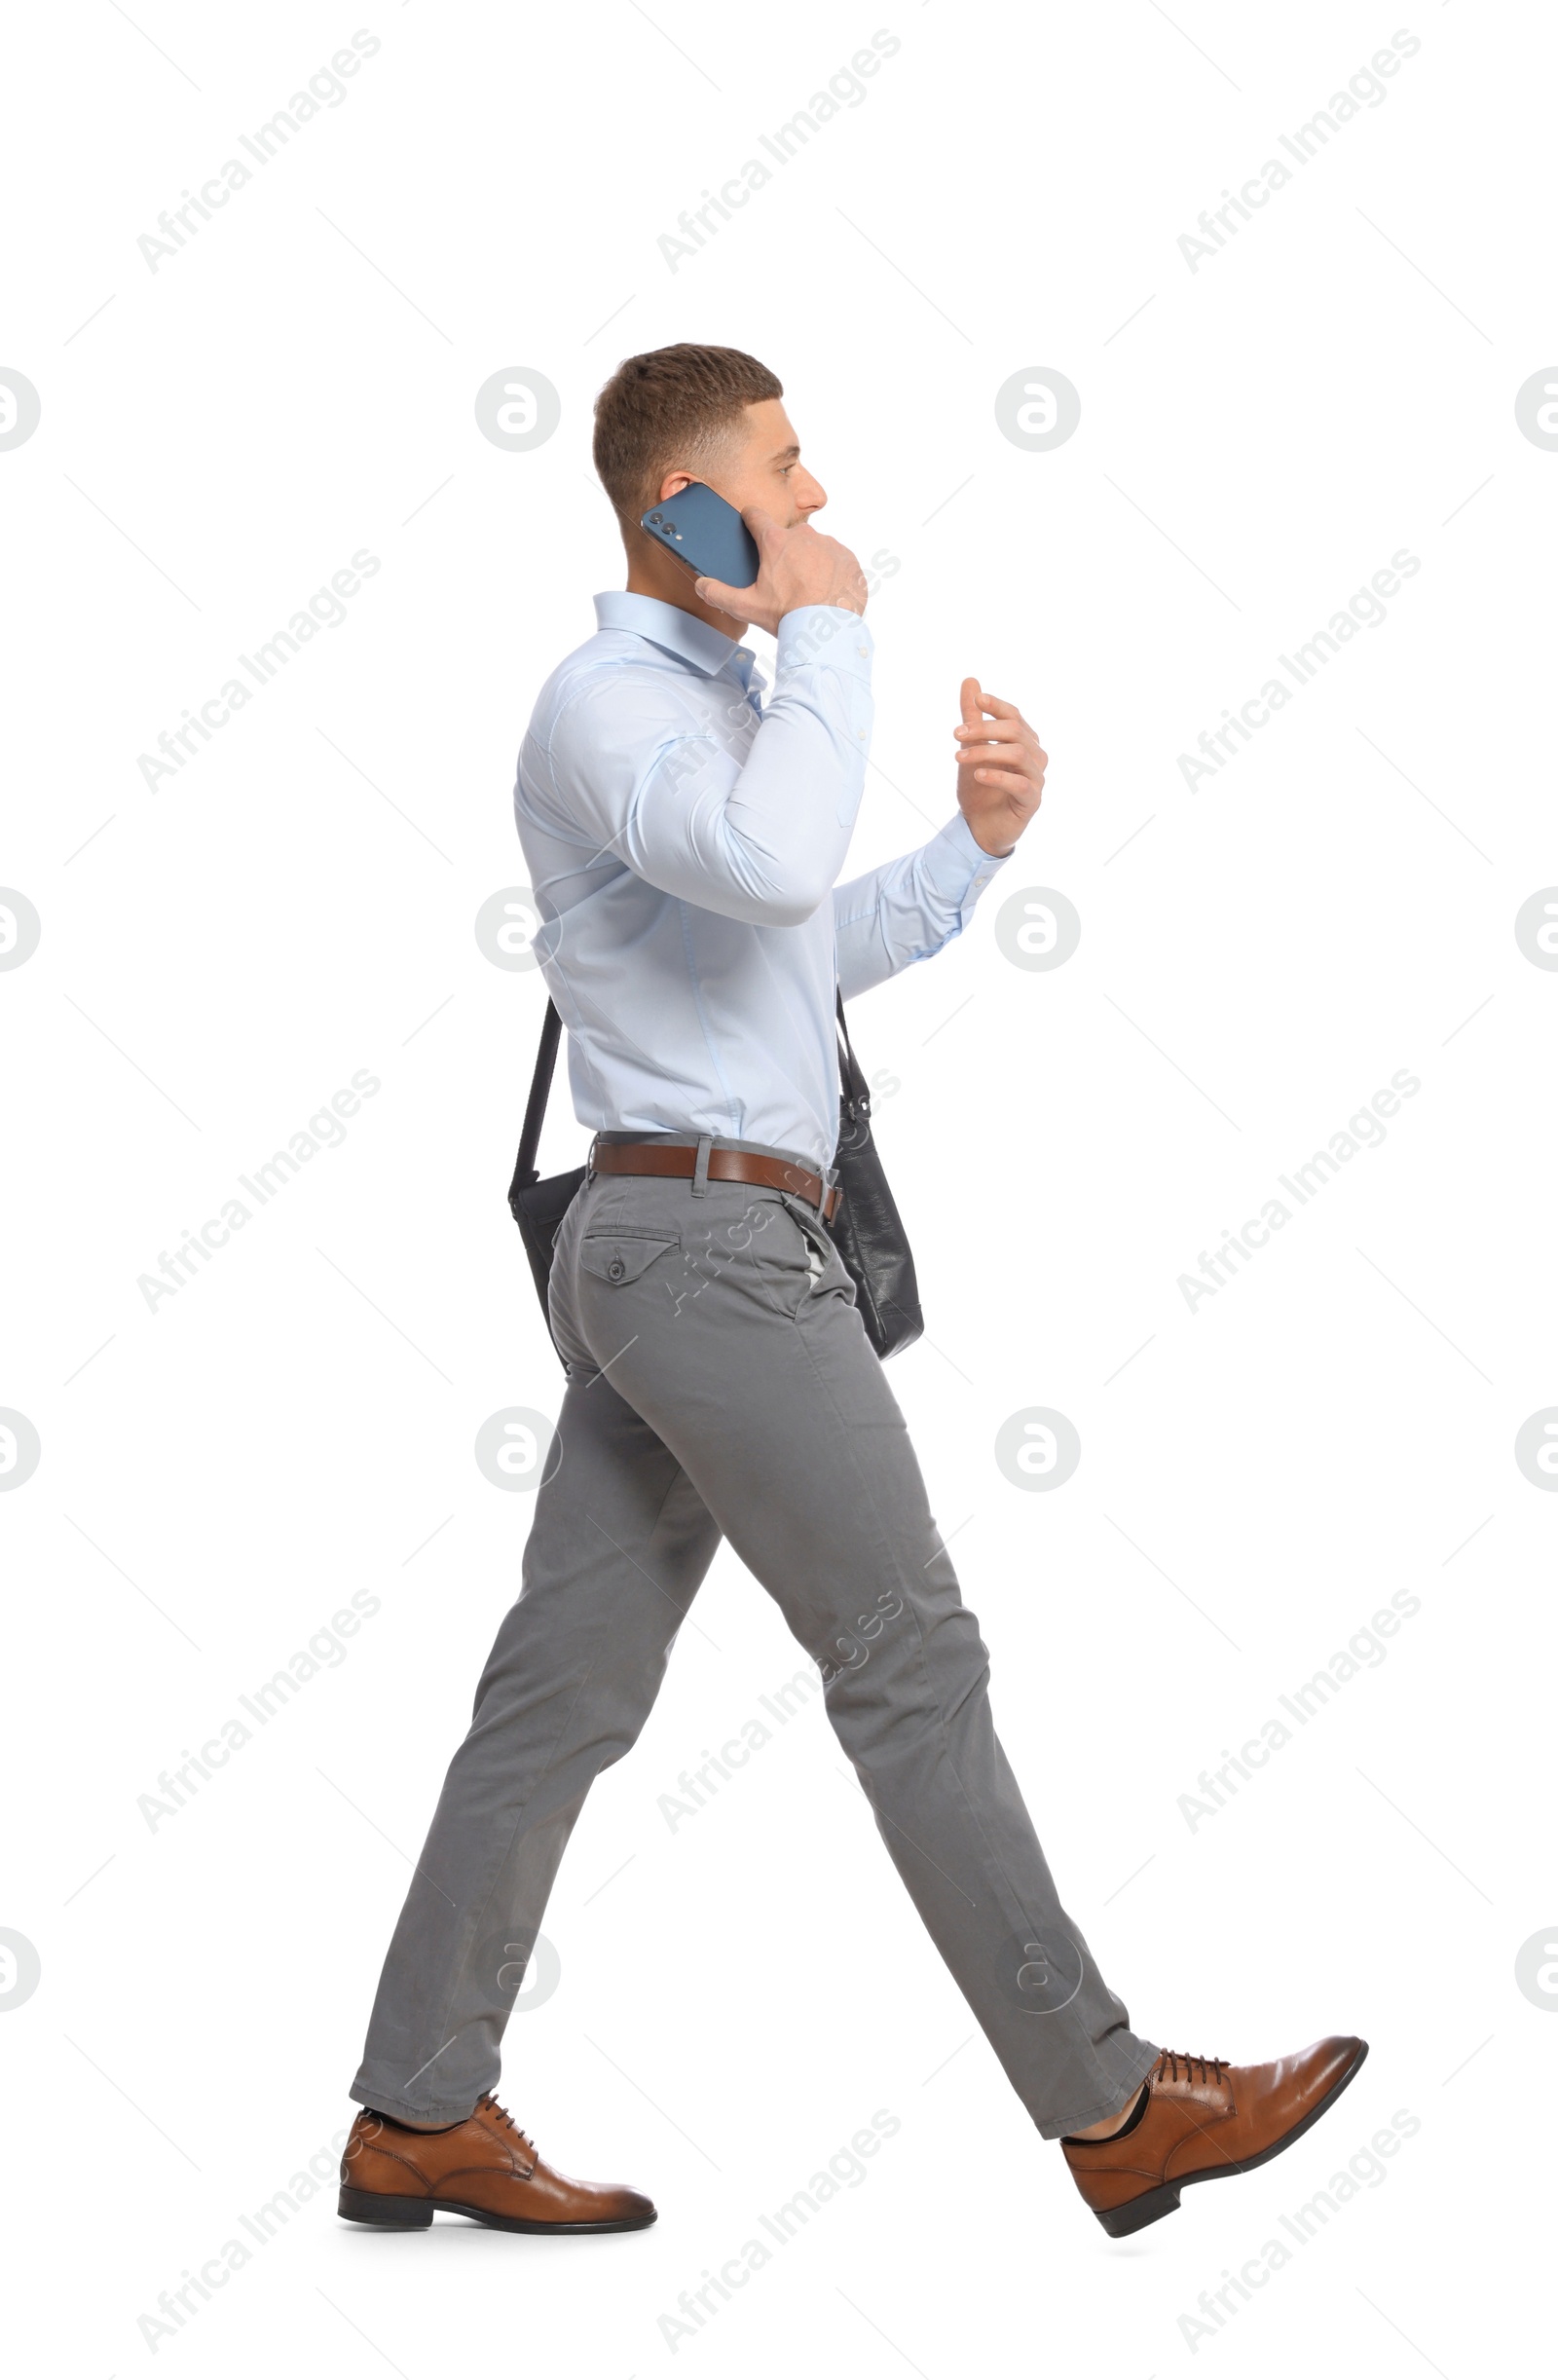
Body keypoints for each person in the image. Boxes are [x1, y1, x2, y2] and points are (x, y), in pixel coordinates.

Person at [339, 344, 1365, 2241]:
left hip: (689, 1247)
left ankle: (415, 2110)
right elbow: (768, 852)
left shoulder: (719, 713)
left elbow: (797, 944)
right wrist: (834, 637)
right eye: (785, 471)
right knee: (910, 1665)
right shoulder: (607, 705)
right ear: (687, 509)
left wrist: (972, 850)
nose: (817, 504)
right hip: (707, 1256)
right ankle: (1111, 2103)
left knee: (554, 1693)